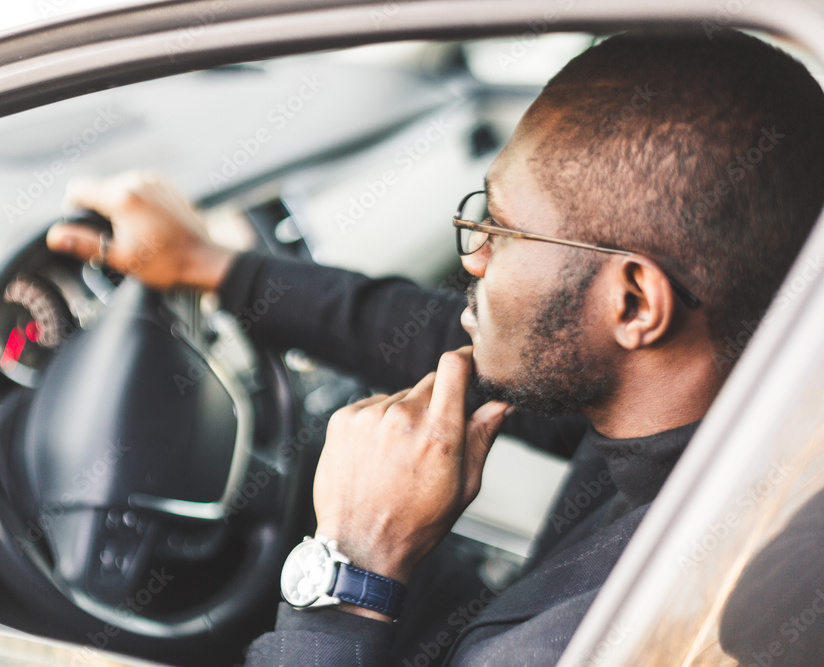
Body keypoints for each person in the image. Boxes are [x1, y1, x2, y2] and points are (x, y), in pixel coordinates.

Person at [45, 28, 824, 665]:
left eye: (502, 228)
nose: (472, 256)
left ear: (632, 303)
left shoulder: (570, 645)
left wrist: (350, 571)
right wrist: (217, 267)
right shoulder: (745, 400)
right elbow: (445, 333)